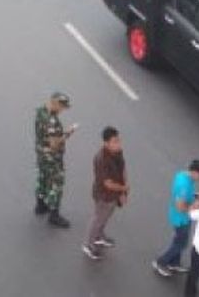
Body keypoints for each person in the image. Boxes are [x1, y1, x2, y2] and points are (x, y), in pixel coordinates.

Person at [152, 159, 199, 277]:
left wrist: (196, 195)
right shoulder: (184, 184)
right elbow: (180, 206)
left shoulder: (183, 175)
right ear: (195, 172)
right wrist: (198, 202)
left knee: (178, 241)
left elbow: (186, 196)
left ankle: (174, 263)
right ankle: (160, 262)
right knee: (181, 244)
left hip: (180, 217)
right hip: (180, 218)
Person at [82, 127, 129, 260]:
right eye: (115, 141)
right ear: (106, 143)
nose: (118, 144)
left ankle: (99, 236)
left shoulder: (118, 152)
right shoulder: (101, 159)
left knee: (106, 216)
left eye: (118, 140)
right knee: (98, 218)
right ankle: (88, 244)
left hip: (114, 194)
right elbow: (107, 183)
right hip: (103, 195)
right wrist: (123, 189)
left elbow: (123, 168)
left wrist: (123, 191)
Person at [34, 92, 76, 228]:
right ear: (55, 103)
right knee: (56, 183)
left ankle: (40, 205)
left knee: (43, 177)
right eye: (62, 106)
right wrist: (67, 134)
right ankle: (54, 214)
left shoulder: (41, 112)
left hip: (41, 152)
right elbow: (54, 144)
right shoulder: (52, 120)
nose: (63, 110)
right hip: (52, 157)